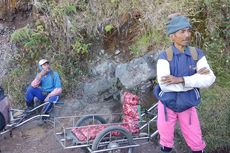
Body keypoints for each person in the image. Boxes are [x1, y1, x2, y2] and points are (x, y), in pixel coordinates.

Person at [154, 13, 216, 153]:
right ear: (172, 36)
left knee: (196, 142)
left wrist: (182, 79)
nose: (187, 35)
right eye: (182, 31)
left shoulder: (196, 54)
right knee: (166, 142)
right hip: (166, 105)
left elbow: (210, 79)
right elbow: (164, 85)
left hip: (187, 105)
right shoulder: (165, 56)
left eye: (188, 30)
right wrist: (195, 80)